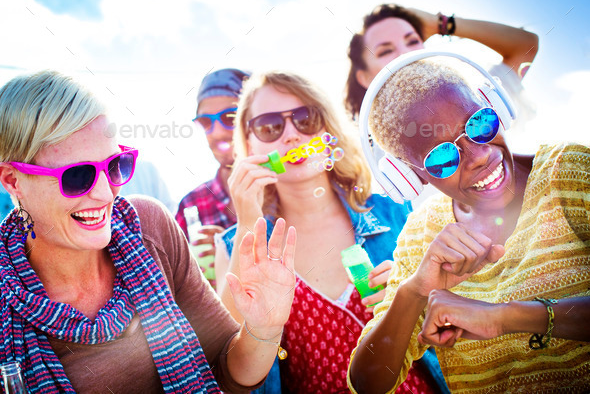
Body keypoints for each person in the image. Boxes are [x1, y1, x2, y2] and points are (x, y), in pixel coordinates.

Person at [0, 70, 298, 393]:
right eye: (77, 176)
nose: (106, 193)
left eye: (115, 166)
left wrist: (264, 327)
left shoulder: (150, 229)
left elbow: (227, 368)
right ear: (13, 181)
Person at [347, 56, 590, 393]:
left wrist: (503, 317)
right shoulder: (422, 235)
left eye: (480, 125)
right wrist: (414, 290)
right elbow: (368, 382)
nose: (479, 156)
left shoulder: (569, 172)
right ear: (412, 178)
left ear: (494, 106)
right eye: (443, 158)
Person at [215, 71, 448, 393]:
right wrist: (246, 222)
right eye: (270, 126)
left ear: (329, 129)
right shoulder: (233, 245)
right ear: (249, 143)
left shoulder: (394, 209)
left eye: (306, 119)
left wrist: (416, 296)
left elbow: (458, 312)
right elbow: (230, 370)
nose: (292, 136)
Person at [344, 4, 539, 121]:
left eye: (412, 41)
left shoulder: (476, 99)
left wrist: (442, 24)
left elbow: (526, 45)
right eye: (385, 51)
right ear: (365, 77)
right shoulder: (371, 163)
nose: (405, 54)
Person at [176, 68, 250, 289]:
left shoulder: (290, 191)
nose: (216, 133)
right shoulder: (192, 205)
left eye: (230, 117)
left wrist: (230, 249)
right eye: (206, 122)